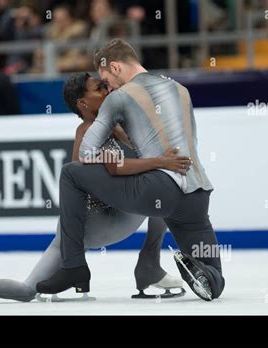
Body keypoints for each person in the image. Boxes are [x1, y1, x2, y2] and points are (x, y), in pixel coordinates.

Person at [0, 72, 192, 305]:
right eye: (99, 88)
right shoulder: (90, 131)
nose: (106, 89)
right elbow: (115, 168)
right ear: (84, 103)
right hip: (99, 222)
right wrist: (160, 160)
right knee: (164, 182)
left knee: (26, 290)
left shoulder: (111, 122)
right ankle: (148, 266)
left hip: (83, 226)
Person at [37, 39, 225, 301]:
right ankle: (203, 273)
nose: (108, 87)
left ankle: (73, 267)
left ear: (114, 67)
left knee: (70, 173)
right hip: (197, 193)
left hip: (158, 189)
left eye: (106, 80)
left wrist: (126, 160)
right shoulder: (180, 89)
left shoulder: (119, 97)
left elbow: (86, 153)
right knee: (216, 278)